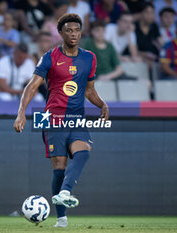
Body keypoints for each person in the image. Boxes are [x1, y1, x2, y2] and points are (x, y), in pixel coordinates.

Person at [13, 13, 109, 228]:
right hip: (53, 117)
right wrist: (21, 112)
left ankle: (65, 192)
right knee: (59, 166)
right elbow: (32, 85)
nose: (73, 34)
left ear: (81, 32)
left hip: (77, 118)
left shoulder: (89, 58)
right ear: (61, 33)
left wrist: (101, 104)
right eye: (69, 30)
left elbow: (90, 90)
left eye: (76, 30)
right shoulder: (49, 57)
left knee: (84, 151)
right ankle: (62, 219)